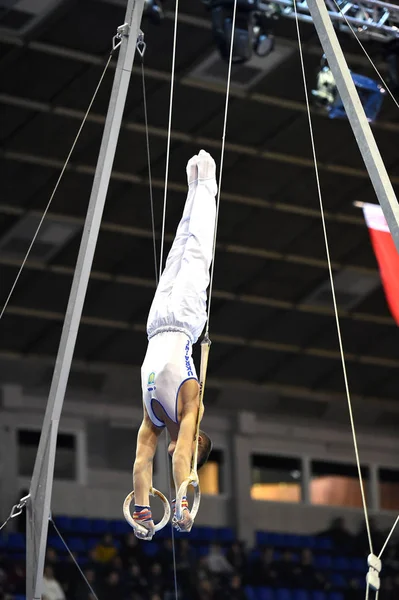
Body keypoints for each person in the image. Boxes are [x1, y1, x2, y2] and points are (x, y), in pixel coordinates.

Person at [132, 150, 217, 539]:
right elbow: (181, 456)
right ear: (198, 437)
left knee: (184, 249)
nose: (183, 456)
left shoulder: (154, 419)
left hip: (164, 323)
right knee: (193, 249)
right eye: (196, 454)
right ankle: (203, 184)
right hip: (172, 323)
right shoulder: (189, 409)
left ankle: (198, 183)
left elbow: (141, 463)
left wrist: (143, 512)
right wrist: (183, 504)